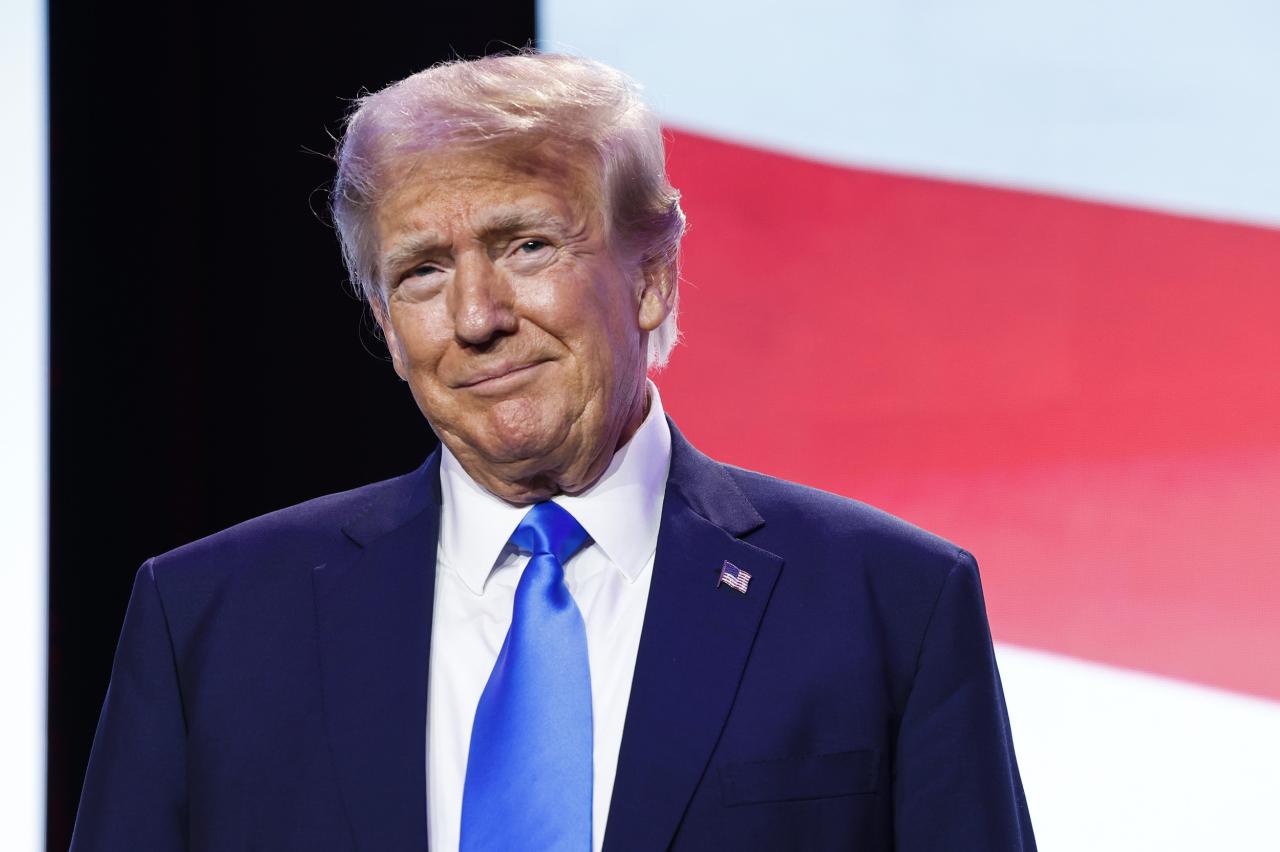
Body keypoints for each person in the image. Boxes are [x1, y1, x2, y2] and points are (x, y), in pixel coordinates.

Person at [70, 52, 1036, 851]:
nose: (477, 317)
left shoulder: (891, 606)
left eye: (526, 245)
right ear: (383, 319)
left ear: (653, 276)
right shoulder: (208, 624)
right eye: (422, 271)